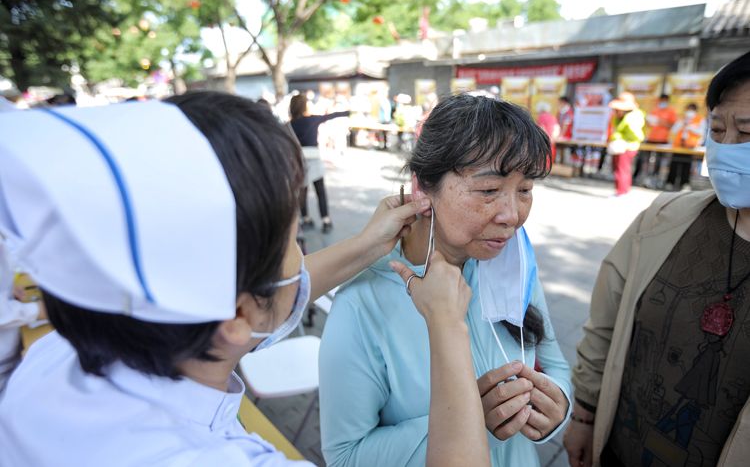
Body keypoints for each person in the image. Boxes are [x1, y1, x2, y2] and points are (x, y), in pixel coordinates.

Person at [0, 91, 483, 466]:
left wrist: (366, 244)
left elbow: (262, 297)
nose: (301, 254)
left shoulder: (55, 358)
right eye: (292, 242)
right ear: (235, 313)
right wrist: (447, 327)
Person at [319, 94, 572, 467]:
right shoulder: (362, 302)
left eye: (525, 190)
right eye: (488, 191)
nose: (512, 215)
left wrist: (558, 407)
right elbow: (344, 456)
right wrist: (466, 423)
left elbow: (556, 366)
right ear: (422, 188)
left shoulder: (508, 264)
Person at [564, 50, 750, 467]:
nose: (726, 148)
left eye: (747, 132)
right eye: (717, 129)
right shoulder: (664, 219)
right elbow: (604, 325)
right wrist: (584, 413)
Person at [289, 93, 349, 233]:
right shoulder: (312, 120)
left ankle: (306, 219)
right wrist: (348, 112)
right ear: (304, 106)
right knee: (320, 191)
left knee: (302, 191)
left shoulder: (289, 125)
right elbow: (333, 115)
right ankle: (326, 220)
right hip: (315, 159)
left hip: (299, 161)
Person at [607, 92, 645, 196]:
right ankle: (622, 190)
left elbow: (637, 135)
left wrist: (620, 138)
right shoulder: (619, 117)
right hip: (620, 146)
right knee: (620, 169)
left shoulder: (632, 118)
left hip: (627, 146)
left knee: (622, 170)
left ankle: (621, 191)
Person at [633, 93, 677, 183]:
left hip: (663, 139)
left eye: (664, 101)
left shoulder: (671, 111)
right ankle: (638, 176)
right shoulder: (655, 110)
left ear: (667, 101)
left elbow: (672, 126)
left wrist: (660, 121)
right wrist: (649, 121)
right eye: (661, 101)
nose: (662, 102)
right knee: (642, 158)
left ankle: (654, 178)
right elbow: (649, 124)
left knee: (659, 161)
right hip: (651, 138)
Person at [665, 103, 706, 191]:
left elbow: (701, 133)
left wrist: (690, 127)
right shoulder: (681, 119)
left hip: (690, 147)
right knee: (674, 164)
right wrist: (682, 124)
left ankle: (684, 183)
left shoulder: (700, 119)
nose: (689, 112)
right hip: (678, 146)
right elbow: (674, 130)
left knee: (687, 165)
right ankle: (670, 182)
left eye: (691, 110)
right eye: (688, 109)